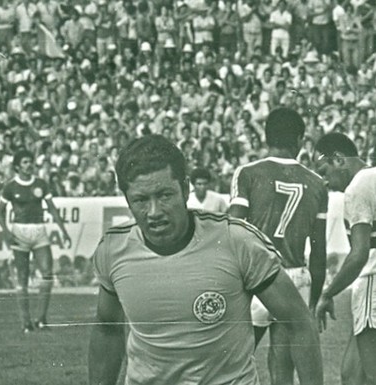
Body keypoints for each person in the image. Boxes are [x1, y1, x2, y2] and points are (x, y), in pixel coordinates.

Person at [88, 135, 322, 385]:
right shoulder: (114, 249)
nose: (154, 212)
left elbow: (299, 322)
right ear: (127, 199)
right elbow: (107, 328)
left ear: (186, 189)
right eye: (141, 200)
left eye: (165, 195)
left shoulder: (236, 241)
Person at [228, 107, 327, 384]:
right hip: (295, 279)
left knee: (230, 360)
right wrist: (314, 300)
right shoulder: (317, 183)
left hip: (256, 277)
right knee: (282, 368)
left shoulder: (247, 173)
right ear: (299, 139)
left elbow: (233, 230)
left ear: (266, 136)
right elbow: (318, 250)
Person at [314, 133, 376, 385]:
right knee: (352, 374)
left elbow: (359, 253)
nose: (325, 181)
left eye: (324, 170)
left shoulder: (356, 187)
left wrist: (327, 294)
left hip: (373, 283)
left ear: (339, 159)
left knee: (372, 374)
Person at [0, 148, 71, 333]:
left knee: (47, 274)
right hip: (20, 231)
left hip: (39, 231)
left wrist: (63, 231)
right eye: (25, 162)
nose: (29, 165)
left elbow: (52, 209)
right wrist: (6, 232)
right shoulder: (10, 187)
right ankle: (25, 322)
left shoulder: (41, 184)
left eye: (30, 161)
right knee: (22, 277)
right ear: (17, 167)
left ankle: (41, 319)